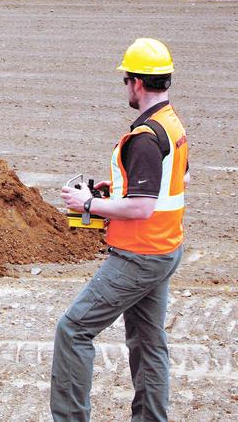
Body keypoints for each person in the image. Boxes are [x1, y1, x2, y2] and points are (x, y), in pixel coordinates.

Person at [53, 38, 189, 422]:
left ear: (138, 83)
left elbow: (142, 207)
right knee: (148, 344)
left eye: (126, 80)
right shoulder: (172, 125)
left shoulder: (145, 138)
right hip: (165, 250)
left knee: (73, 330)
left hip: (139, 254)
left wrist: (89, 205)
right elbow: (167, 185)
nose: (126, 88)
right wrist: (108, 192)